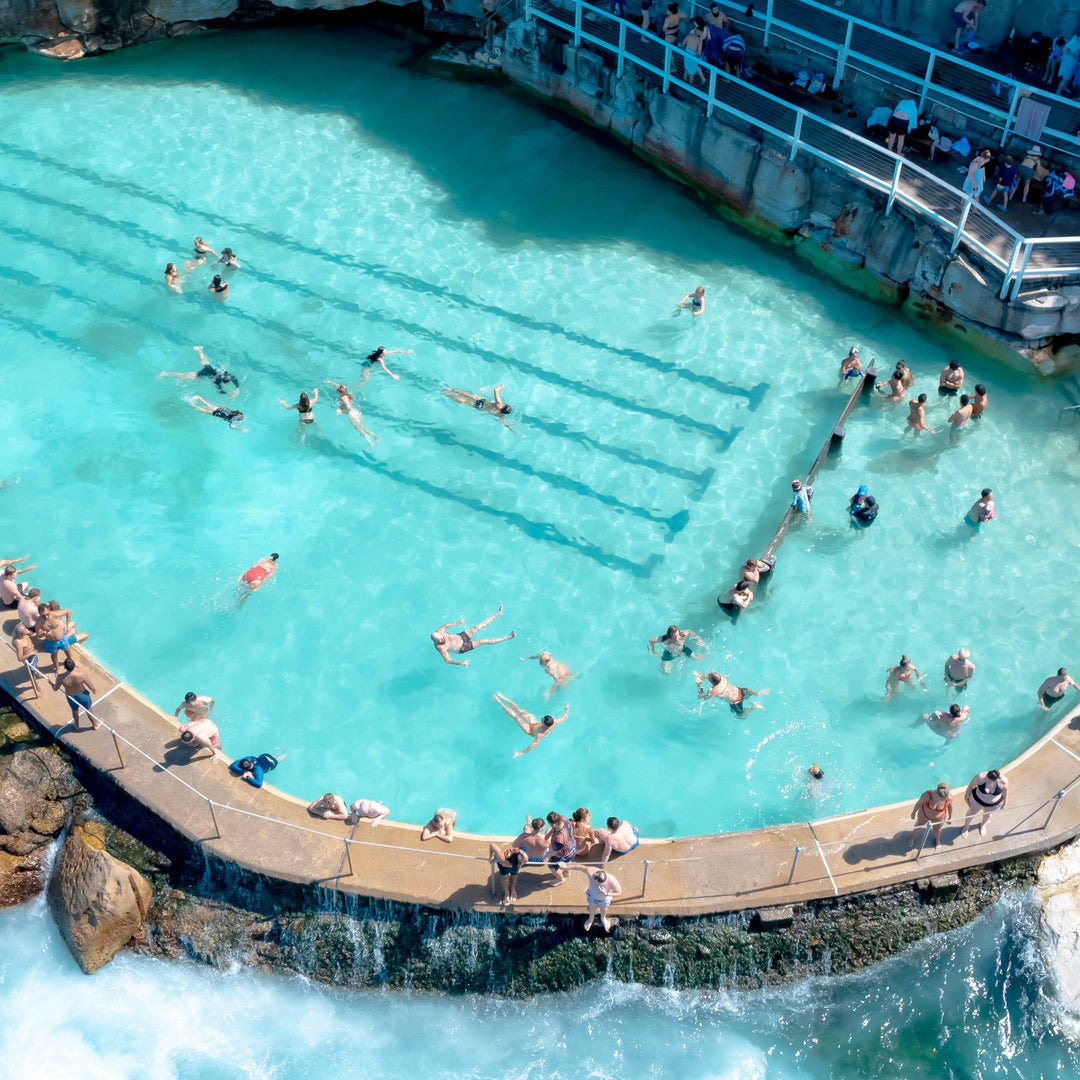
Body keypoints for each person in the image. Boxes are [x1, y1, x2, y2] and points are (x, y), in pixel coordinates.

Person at [430, 605, 515, 665]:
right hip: (463, 647)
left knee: (477, 627)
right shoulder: (440, 647)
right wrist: (461, 663)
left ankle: (497, 614)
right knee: (483, 641)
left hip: (461, 636)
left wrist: (458, 622)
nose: (441, 640)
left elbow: (446, 625)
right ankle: (507, 637)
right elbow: (447, 660)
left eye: (441, 638)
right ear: (436, 642)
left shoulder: (440, 631)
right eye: (439, 641)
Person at [492, 694, 569, 757]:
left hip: (530, 730)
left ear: (544, 724)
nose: (542, 718)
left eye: (542, 719)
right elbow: (564, 717)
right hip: (535, 724)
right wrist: (566, 709)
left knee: (516, 716)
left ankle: (500, 702)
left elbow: (534, 745)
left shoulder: (540, 734)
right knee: (520, 710)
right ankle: (504, 698)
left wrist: (521, 752)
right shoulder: (554, 722)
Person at [160, 346, 240, 396]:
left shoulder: (225, 373)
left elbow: (235, 379)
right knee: (183, 376)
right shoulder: (217, 380)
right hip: (201, 374)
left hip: (209, 368)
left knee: (204, 362)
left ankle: (199, 350)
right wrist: (228, 393)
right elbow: (219, 390)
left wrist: (237, 388)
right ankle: (166, 373)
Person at [570, 865, 623, 931]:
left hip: (604, 898)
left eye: (594, 881)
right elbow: (579, 867)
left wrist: (606, 893)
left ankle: (603, 918)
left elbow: (619, 892)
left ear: (600, 882)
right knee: (592, 907)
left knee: (603, 909)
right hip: (592, 896)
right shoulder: (591, 872)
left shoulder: (612, 881)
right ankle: (591, 918)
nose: (592, 879)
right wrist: (565, 867)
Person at [693, 670, 768, 715]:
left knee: (740, 715)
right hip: (740, 691)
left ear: (712, 683)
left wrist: (699, 684)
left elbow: (703, 697)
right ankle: (758, 693)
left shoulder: (714, 691)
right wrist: (699, 675)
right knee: (750, 692)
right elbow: (709, 676)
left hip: (736, 702)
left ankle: (753, 708)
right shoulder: (721, 678)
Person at [38, 605, 88, 672]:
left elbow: (68, 611)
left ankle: (72, 660)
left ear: (49, 611)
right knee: (53, 655)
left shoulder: (54, 614)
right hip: (51, 642)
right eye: (43, 615)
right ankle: (57, 668)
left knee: (67, 650)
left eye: (47, 614)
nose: (46, 617)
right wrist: (44, 633)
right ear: (39, 614)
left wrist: (67, 624)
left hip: (62, 638)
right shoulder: (38, 623)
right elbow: (38, 635)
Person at [961, 769, 1009, 838]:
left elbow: (1006, 793)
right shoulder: (980, 777)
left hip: (993, 804)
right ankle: (966, 827)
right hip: (977, 800)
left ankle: (983, 825)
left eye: (989, 781)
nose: (987, 782)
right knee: (971, 813)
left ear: (996, 780)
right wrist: (966, 796)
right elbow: (970, 786)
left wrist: (1005, 803)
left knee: (988, 815)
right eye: (986, 779)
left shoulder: (1004, 781)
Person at [52, 658, 97, 730]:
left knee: (75, 710)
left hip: (71, 696)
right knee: (88, 709)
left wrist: (51, 683)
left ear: (65, 667)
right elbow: (90, 685)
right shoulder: (82, 675)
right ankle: (95, 725)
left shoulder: (60, 677)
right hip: (82, 695)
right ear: (74, 666)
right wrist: (94, 690)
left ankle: (77, 725)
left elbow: (55, 689)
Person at [910, 782, 952, 849]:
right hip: (924, 814)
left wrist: (950, 817)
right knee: (918, 825)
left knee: (937, 830)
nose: (944, 800)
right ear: (937, 793)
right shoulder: (927, 795)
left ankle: (938, 841)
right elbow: (918, 804)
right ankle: (912, 837)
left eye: (945, 798)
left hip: (939, 816)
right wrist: (913, 812)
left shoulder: (948, 798)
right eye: (942, 798)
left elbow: (950, 807)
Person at [442, 384, 513, 422]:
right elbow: (504, 423)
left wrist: (502, 387)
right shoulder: (501, 415)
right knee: (464, 401)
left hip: (482, 401)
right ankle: (447, 394)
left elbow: (496, 390)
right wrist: (511, 430)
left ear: (505, 406)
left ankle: (449, 389)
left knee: (466, 394)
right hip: (479, 407)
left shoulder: (499, 404)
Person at [544, 811, 578, 885]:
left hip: (565, 854)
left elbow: (554, 852)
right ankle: (567, 872)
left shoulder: (558, 838)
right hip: (573, 847)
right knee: (568, 861)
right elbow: (555, 827)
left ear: (553, 824)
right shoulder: (564, 818)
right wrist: (549, 833)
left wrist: (547, 856)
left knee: (552, 866)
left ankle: (561, 879)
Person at [682, 20, 706, 86]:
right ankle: (689, 89)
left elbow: (683, 44)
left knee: (686, 69)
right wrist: (698, 59)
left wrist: (686, 51)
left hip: (686, 54)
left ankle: (683, 85)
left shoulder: (690, 35)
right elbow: (699, 53)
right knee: (691, 73)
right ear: (701, 32)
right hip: (693, 57)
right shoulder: (700, 40)